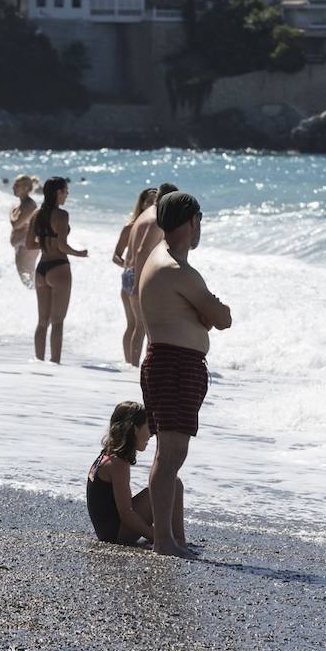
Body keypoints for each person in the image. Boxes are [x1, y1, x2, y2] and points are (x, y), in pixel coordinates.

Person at [137, 191, 232, 558]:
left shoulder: (160, 261)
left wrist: (204, 312)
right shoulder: (178, 269)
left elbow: (207, 315)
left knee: (169, 452)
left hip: (168, 363)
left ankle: (168, 537)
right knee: (171, 452)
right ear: (191, 222)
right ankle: (165, 541)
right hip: (173, 366)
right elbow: (222, 318)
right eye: (199, 221)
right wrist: (209, 311)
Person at [86, 401, 183, 545]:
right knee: (173, 483)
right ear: (133, 429)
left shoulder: (107, 456)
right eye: (148, 426)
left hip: (108, 530)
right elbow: (126, 513)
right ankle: (177, 540)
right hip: (115, 533)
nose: (152, 433)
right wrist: (155, 537)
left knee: (170, 482)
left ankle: (174, 538)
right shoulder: (117, 464)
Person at [25, 177, 89, 363]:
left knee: (42, 323)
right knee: (58, 323)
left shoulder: (36, 214)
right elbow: (62, 246)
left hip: (41, 270)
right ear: (58, 192)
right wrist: (80, 253)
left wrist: (45, 242)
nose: (67, 196)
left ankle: (38, 363)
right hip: (59, 268)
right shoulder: (62, 215)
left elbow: (29, 244)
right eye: (66, 191)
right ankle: (55, 365)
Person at [125, 182, 179, 363]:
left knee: (138, 326)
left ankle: (132, 367)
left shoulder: (145, 215)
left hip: (129, 272)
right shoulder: (156, 219)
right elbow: (141, 251)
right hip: (137, 276)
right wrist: (139, 285)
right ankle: (138, 368)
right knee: (145, 328)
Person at [112, 188, 157, 366]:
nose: (153, 204)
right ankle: (134, 366)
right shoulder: (132, 226)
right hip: (133, 275)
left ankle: (129, 364)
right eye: (149, 201)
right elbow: (115, 255)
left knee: (134, 325)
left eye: (156, 201)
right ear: (142, 203)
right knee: (139, 326)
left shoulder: (146, 224)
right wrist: (129, 267)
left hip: (130, 275)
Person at [9, 175, 39, 287]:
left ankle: (42, 300)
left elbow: (16, 224)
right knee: (26, 279)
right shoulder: (20, 204)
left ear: (26, 188)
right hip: (21, 245)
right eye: (14, 185)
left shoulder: (30, 205)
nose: (13, 187)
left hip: (27, 246)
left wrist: (11, 213)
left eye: (17, 185)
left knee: (29, 279)